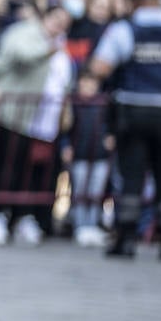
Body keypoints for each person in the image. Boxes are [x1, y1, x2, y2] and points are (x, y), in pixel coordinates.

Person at [89, 0, 161, 259]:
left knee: (132, 176)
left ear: (135, 1)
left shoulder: (124, 30)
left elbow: (100, 67)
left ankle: (125, 238)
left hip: (132, 111)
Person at [0, 0, 73, 246]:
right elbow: (21, 55)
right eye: (56, 21)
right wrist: (48, 49)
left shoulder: (58, 44)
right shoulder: (25, 33)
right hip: (15, 116)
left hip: (44, 122)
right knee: (7, 168)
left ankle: (23, 218)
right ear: (46, 17)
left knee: (33, 173)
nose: (59, 27)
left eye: (64, 24)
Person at [61, 72, 112, 247]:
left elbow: (111, 126)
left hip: (100, 155)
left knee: (95, 193)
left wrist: (110, 138)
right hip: (80, 155)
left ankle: (92, 225)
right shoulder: (73, 104)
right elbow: (66, 129)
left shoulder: (104, 104)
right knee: (80, 192)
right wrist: (66, 145)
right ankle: (80, 226)